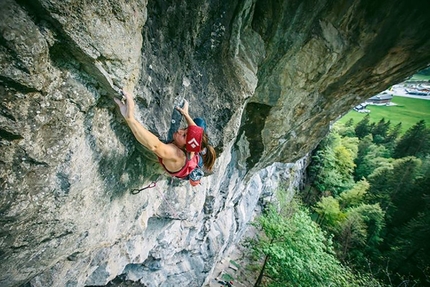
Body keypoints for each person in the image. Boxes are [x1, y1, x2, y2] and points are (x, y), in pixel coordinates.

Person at [114, 89, 216, 185]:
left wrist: (130, 118)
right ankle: (202, 148)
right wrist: (185, 114)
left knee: (197, 128)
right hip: (193, 157)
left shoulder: (176, 154)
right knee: (199, 123)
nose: (180, 131)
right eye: (184, 129)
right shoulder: (190, 146)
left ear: (186, 147)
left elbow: (154, 146)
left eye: (184, 135)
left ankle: (197, 172)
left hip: (187, 165)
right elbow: (194, 130)